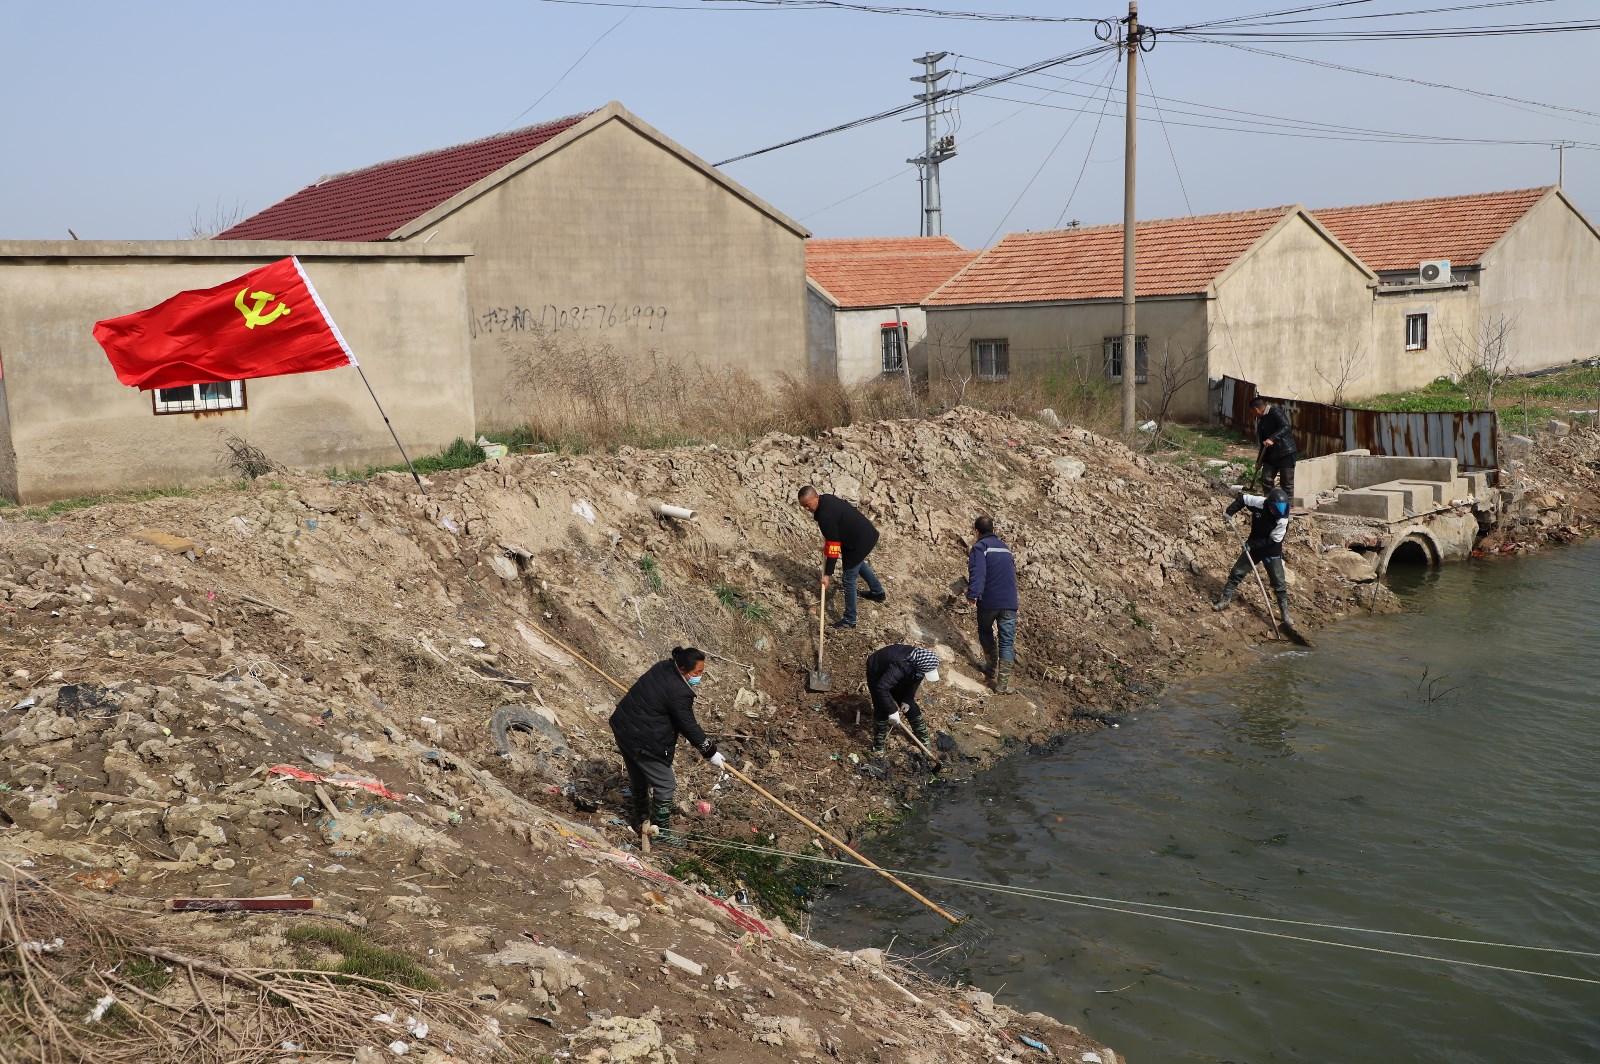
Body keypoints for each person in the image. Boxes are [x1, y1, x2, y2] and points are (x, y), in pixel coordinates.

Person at [608, 646, 726, 842]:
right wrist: (711, 752)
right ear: (683, 670)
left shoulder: (664, 666)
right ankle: (660, 834)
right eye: (697, 673)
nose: (700, 677)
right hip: (642, 737)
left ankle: (642, 820)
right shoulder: (679, 692)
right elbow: (688, 725)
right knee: (665, 783)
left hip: (623, 727)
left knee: (639, 776)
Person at [797, 485, 884, 630]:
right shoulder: (826, 500)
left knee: (848, 578)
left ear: (816, 497)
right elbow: (834, 536)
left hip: (859, 541)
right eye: (803, 506)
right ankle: (878, 592)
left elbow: (833, 545)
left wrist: (827, 574)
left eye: (808, 504)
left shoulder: (825, 515)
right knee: (858, 563)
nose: (807, 509)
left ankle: (850, 619)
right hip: (863, 535)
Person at [1213, 487, 1294, 627]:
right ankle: (1225, 600)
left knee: (1279, 582)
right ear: (1269, 505)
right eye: (1277, 508)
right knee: (1237, 572)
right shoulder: (1259, 502)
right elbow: (1242, 499)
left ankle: (1284, 613)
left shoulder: (1283, 520)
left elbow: (1273, 540)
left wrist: (1251, 545)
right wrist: (1229, 512)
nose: (1280, 512)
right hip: (1254, 546)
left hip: (1271, 550)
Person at [966, 514, 1019, 694]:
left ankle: (990, 668)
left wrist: (973, 594)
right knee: (1007, 642)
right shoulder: (1005, 548)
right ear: (993, 530)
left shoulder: (981, 547)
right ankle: (1002, 685)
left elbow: (978, 572)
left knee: (985, 632)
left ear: (977, 531)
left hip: (989, 601)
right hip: (1010, 602)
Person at [864, 643, 939, 757]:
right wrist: (892, 710)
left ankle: (924, 740)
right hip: (878, 673)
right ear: (919, 667)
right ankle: (878, 748)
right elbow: (881, 688)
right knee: (882, 709)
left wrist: (906, 700)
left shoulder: (920, 665)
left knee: (910, 706)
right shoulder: (900, 666)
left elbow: (914, 683)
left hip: (897, 675)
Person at [1252, 394, 1297, 497]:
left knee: (1286, 484)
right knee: (1266, 479)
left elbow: (1285, 427)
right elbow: (1263, 443)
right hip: (1271, 455)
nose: (1253, 414)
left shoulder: (1275, 412)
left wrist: (1272, 438)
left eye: (1252, 411)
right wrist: (1259, 461)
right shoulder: (1261, 421)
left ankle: (1287, 506)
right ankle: (1270, 501)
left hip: (1286, 452)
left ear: (1256, 409)